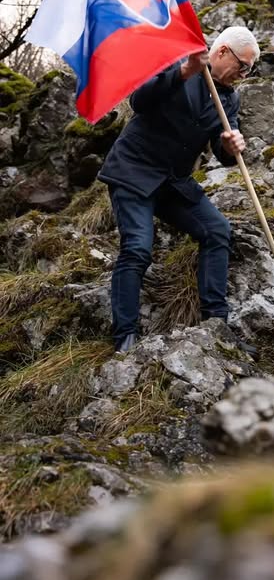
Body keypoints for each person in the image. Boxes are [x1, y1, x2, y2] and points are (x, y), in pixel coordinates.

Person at [98, 26, 260, 353]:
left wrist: (231, 145)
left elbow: (223, 151)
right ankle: (125, 339)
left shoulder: (229, 98)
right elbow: (139, 100)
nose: (243, 74)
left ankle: (217, 323)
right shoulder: (177, 63)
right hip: (134, 172)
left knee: (217, 231)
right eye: (243, 66)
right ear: (223, 51)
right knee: (138, 248)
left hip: (174, 182)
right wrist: (184, 72)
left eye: (249, 70)